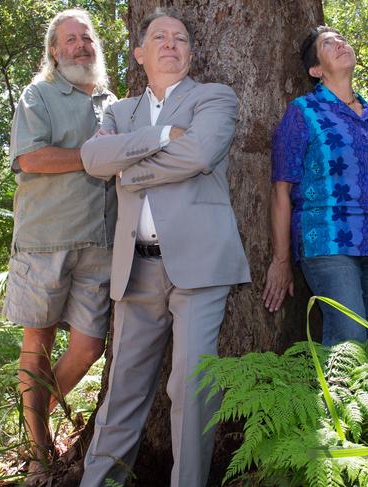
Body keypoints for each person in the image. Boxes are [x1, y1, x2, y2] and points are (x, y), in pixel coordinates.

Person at [79, 7, 250, 487]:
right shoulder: (118, 111)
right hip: (135, 269)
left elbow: (198, 154)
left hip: (200, 266)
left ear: (192, 53)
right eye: (159, 37)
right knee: (122, 392)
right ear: (140, 53)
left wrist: (129, 167)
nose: (171, 43)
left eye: (180, 38)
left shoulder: (214, 97)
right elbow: (92, 158)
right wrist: (158, 137)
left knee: (191, 390)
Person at [2, 8, 116, 483]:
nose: (80, 46)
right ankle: (38, 451)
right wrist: (92, 157)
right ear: (54, 50)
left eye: (86, 38)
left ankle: (37, 419)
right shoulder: (40, 94)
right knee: (38, 342)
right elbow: (30, 156)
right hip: (44, 240)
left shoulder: (116, 102)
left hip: (102, 241)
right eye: (69, 40)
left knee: (89, 346)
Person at [262, 26, 368, 351]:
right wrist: (281, 260)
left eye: (342, 39)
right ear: (315, 69)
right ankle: (338, 403)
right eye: (329, 43)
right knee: (349, 342)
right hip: (329, 240)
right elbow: (281, 189)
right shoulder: (303, 112)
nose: (340, 43)